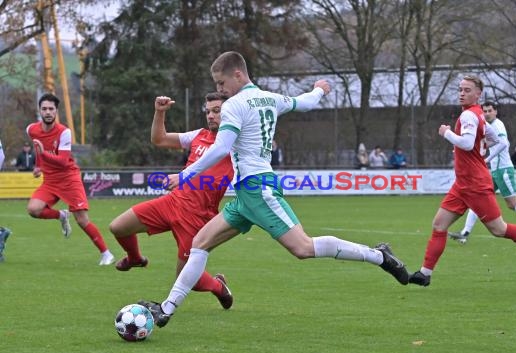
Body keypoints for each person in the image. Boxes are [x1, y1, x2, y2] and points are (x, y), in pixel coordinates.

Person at [139, 51, 409, 327]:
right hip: (246, 195)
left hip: (258, 189)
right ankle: (166, 309)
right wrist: (318, 90)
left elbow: (220, 148)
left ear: (237, 74)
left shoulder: (235, 105)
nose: (219, 90)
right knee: (199, 244)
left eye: (221, 83)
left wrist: (185, 175)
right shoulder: (270, 98)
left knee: (303, 248)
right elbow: (302, 103)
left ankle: (379, 256)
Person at [408, 75, 516, 287]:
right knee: (439, 225)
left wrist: (447, 133)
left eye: (467, 90)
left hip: (475, 184)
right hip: (462, 184)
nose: (462, 93)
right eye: (460, 89)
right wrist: (484, 157)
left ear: (478, 94)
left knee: (499, 229)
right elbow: (496, 141)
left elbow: (468, 144)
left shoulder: (470, 116)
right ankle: (425, 273)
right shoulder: (477, 115)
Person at [108, 92, 234, 309]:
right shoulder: (199, 135)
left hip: (197, 218)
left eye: (217, 111)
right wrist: (159, 112)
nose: (211, 116)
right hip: (172, 202)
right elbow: (159, 139)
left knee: (185, 280)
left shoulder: (237, 144)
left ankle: (218, 287)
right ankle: (135, 258)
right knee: (118, 227)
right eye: (208, 112)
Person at [448, 101, 516, 244]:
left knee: (513, 204)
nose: (486, 113)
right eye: (484, 111)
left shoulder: (498, 125)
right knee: (478, 198)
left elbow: (503, 144)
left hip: (504, 170)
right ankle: (465, 233)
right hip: (494, 171)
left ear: (495, 111)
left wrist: (487, 159)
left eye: (489, 111)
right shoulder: (487, 126)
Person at [26, 93, 114, 265]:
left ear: (56, 111)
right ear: (39, 111)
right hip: (50, 181)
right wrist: (38, 165)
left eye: (51, 109)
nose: (48, 112)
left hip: (69, 179)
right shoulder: (31, 129)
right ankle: (61, 215)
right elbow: (37, 148)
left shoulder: (64, 132)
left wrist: (44, 154)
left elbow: (63, 161)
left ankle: (106, 253)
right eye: (44, 109)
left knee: (82, 220)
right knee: (33, 209)